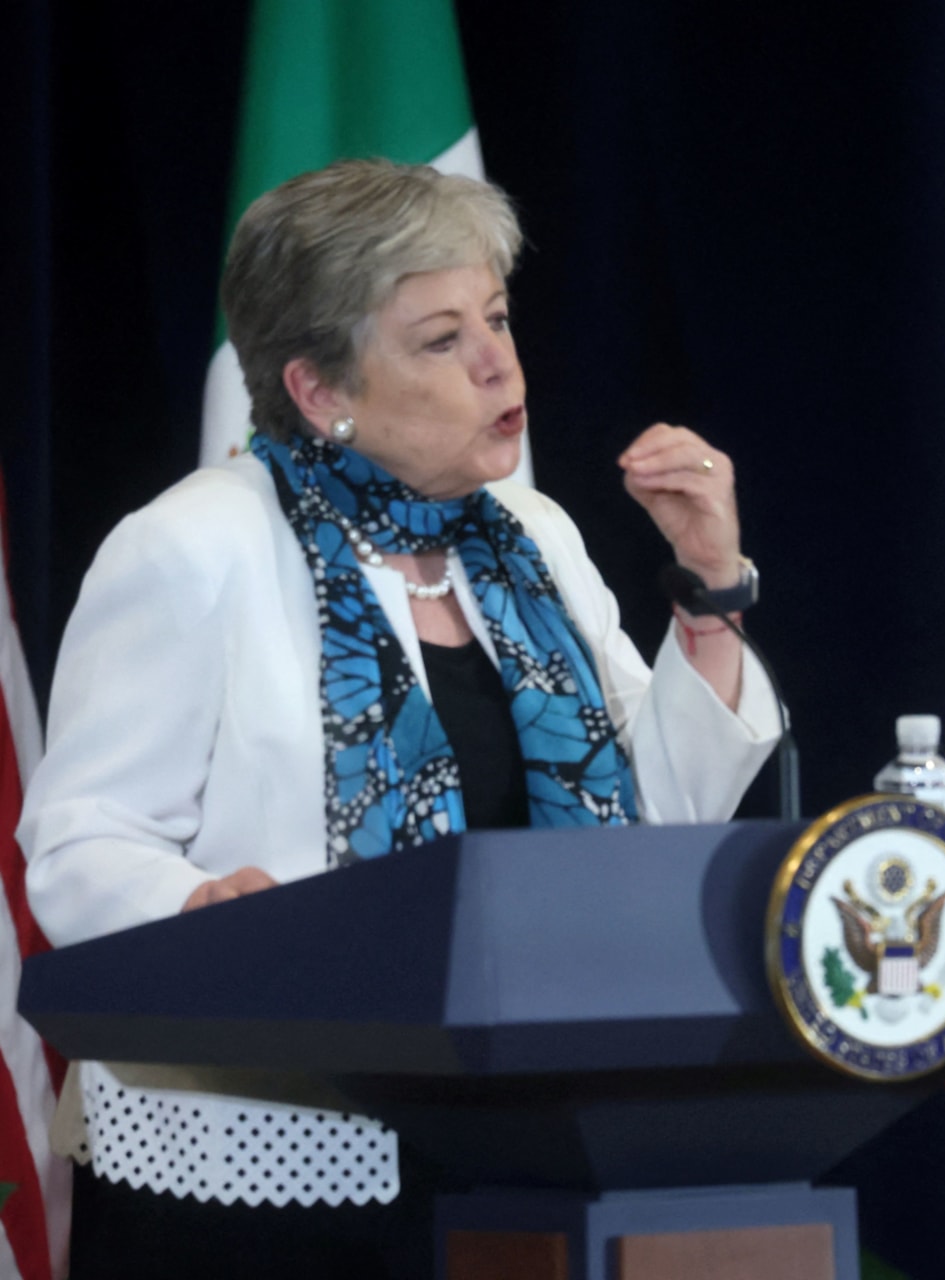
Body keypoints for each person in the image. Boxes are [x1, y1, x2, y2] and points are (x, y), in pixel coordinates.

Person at [20, 159, 780, 1277]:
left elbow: (651, 818)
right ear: (323, 391)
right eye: (441, 340)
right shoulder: (195, 544)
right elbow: (77, 839)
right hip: (262, 1173)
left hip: (520, 1136)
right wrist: (200, 905)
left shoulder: (530, 537)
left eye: (499, 317)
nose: (498, 361)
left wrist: (710, 589)